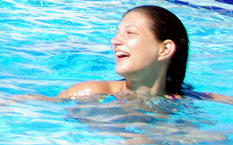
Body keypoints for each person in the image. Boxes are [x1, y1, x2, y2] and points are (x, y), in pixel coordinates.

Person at [59, 5, 189, 99]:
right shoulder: (90, 93)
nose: (114, 40)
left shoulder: (187, 102)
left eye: (130, 33)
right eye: (117, 32)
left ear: (165, 49)